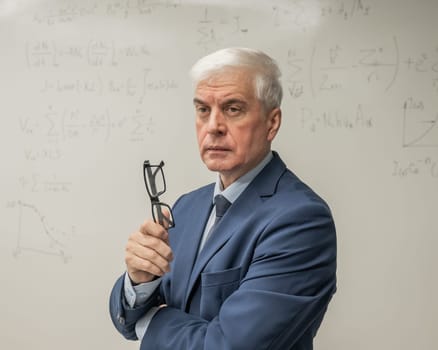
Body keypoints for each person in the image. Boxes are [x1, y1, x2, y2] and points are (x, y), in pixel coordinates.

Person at [109, 47, 337, 350]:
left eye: (233, 109)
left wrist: (152, 322)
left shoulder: (302, 220)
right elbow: (126, 320)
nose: (213, 126)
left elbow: (230, 346)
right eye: (203, 110)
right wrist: (140, 281)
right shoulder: (186, 208)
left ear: (272, 123)